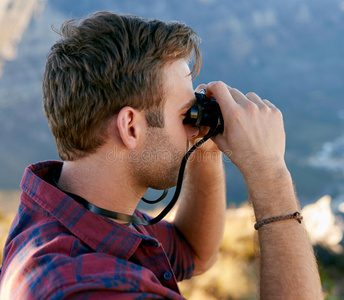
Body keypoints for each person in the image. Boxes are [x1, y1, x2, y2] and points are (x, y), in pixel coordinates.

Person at [0, 11, 322, 300]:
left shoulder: (76, 213)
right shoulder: (92, 288)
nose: (192, 127)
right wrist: (268, 172)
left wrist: (204, 143)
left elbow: (194, 252)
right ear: (131, 127)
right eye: (185, 115)